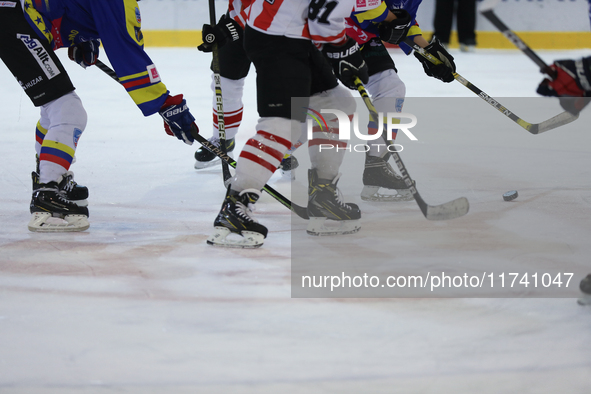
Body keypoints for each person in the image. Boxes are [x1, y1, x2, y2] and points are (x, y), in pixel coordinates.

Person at [0, 0, 196, 232]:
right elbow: (125, 52)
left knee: (54, 107)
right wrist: (165, 103)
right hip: (14, 19)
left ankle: (51, 177)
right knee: (68, 110)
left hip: (13, 16)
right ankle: (47, 191)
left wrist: (81, 37)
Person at [206, 0, 377, 248]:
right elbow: (324, 20)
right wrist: (345, 49)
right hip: (279, 38)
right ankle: (235, 207)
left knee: (336, 105)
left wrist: (342, 49)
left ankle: (323, 195)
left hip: (292, 33)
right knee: (282, 125)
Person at [345, 0, 457, 202]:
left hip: (362, 36)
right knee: (317, 100)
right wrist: (391, 20)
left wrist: (428, 52)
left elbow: (404, 19)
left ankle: (375, 167)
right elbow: (364, 5)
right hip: (324, 30)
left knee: (390, 87)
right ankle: (274, 153)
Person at [194, 0, 298, 178]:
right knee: (224, 83)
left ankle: (282, 146)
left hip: (274, 28)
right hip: (236, 23)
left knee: (278, 88)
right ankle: (224, 139)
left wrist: (230, 26)